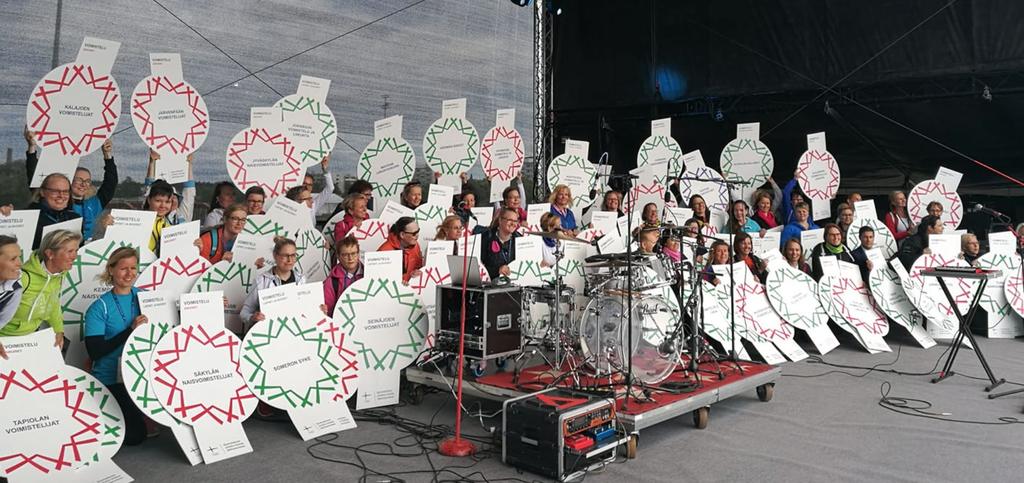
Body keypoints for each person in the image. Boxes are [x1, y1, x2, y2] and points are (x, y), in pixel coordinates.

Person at [83, 246, 148, 446]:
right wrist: (130, 330)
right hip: (113, 378)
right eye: (123, 268)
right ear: (111, 270)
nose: (129, 274)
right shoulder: (99, 307)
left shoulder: (145, 297)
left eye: (133, 268)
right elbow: (95, 351)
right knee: (135, 436)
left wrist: (212, 303)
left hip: (141, 373)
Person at [0, 230, 82, 356]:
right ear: (50, 254)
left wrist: (58, 329)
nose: (75, 256)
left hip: (32, 338)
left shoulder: (59, 276)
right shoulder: (22, 278)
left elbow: (53, 303)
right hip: (6, 339)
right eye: (70, 251)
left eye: (76, 250)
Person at [240, 237, 309, 328]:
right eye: (285, 256)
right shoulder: (261, 281)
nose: (289, 260)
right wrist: (252, 317)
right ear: (275, 255)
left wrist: (318, 311)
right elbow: (244, 312)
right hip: (270, 335)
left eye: (293, 255)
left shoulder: (301, 280)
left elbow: (307, 311)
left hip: (294, 333)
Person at [144, 150, 195, 226]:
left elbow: (189, 193)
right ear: (149, 200)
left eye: (168, 200)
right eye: (158, 200)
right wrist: (152, 162)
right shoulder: (144, 218)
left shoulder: (180, 218)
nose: (163, 205)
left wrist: (188, 164)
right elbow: (149, 187)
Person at [323, 236, 363, 313]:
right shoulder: (331, 282)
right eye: (345, 255)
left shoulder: (368, 274)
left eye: (353, 253)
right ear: (338, 256)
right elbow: (329, 313)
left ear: (358, 254)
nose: (350, 258)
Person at [377, 217, 424, 283]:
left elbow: (419, 267)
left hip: (412, 288)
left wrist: (416, 272)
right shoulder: (384, 251)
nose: (417, 235)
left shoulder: (416, 245)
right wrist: (399, 282)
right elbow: (380, 279)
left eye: (418, 231)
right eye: (414, 234)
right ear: (402, 235)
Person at [0, 236, 25, 358]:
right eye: (13, 259)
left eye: (19, 257)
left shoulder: (15, 288)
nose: (19, 263)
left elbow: (3, 319)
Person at [480, 207, 520, 279]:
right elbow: (479, 266)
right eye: (510, 220)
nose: (513, 223)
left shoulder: (520, 239)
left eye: (515, 221)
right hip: (490, 284)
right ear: (500, 220)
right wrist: (497, 271)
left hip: (515, 284)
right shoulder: (486, 238)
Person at [303, 155, 335, 221]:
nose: (307, 187)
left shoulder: (313, 204)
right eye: (304, 183)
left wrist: (324, 168)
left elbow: (330, 188)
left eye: (310, 185)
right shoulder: (292, 201)